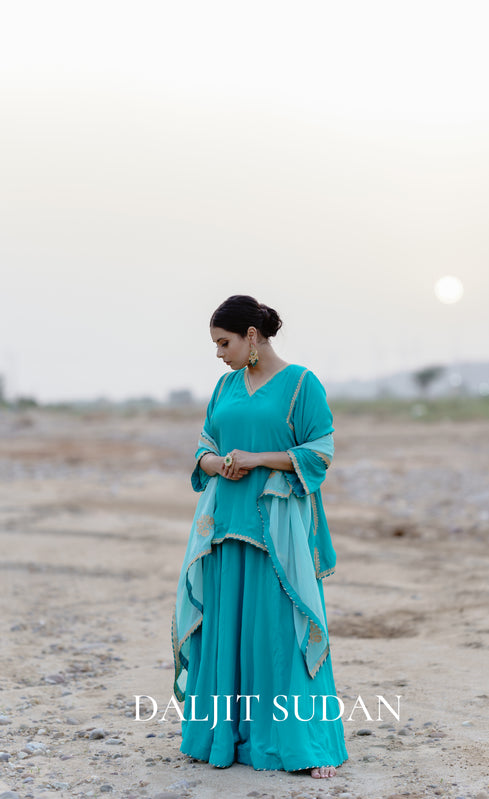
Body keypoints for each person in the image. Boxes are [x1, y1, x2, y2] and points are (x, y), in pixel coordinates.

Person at [171, 295, 348, 778]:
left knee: (280, 632)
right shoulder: (226, 385)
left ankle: (305, 746)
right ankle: (217, 736)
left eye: (223, 342)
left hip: (276, 528)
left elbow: (321, 451)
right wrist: (217, 463)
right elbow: (206, 445)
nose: (218, 353)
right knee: (225, 630)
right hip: (225, 526)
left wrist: (256, 458)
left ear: (252, 335)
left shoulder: (300, 384)